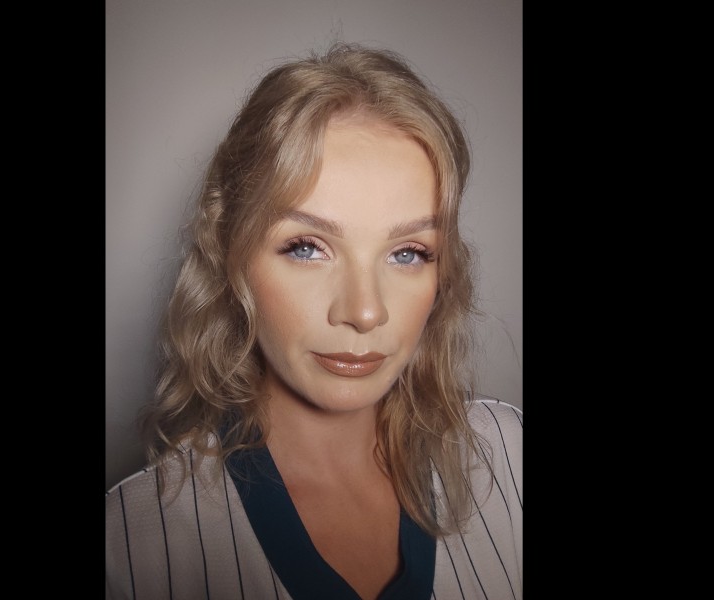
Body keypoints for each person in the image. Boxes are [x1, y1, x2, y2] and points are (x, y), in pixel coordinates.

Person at [105, 42, 522, 600]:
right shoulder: (129, 549)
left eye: (408, 253)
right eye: (306, 247)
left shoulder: (510, 456)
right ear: (232, 255)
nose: (365, 311)